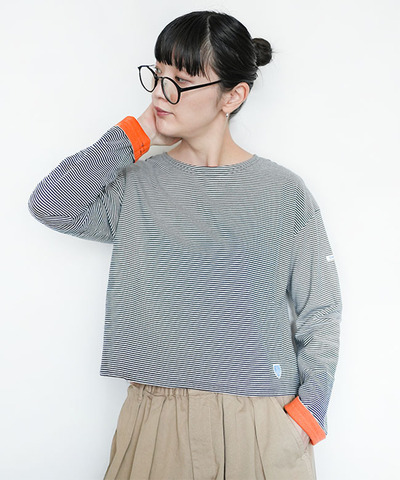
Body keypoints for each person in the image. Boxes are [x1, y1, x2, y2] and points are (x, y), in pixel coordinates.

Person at [28, 10, 342, 480]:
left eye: (181, 81)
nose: (160, 93)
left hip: (262, 421)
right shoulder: (138, 185)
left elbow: (322, 309)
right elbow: (52, 204)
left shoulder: (282, 192)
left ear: (232, 96)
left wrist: (308, 416)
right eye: (158, 75)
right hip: (156, 417)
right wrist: (135, 133)